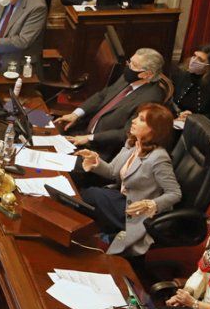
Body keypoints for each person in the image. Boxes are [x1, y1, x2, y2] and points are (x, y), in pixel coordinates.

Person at [76, 103, 181, 260]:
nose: (133, 121)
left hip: (137, 210)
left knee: (89, 196)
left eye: (141, 119)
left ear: (154, 130)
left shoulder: (159, 157)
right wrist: (95, 161)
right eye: (137, 117)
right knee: (88, 196)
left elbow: (175, 193)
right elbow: (112, 171)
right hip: (122, 197)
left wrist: (151, 204)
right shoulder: (133, 144)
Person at [54, 48, 167, 159]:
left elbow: (127, 133)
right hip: (83, 130)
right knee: (43, 139)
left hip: (101, 149)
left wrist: (90, 138)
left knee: (53, 162)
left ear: (147, 74)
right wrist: (76, 114)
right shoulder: (129, 78)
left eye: (134, 65)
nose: (128, 66)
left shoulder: (151, 98)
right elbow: (102, 95)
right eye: (130, 62)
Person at [172, 44, 210, 123]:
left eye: (200, 60)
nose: (194, 60)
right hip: (177, 118)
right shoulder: (181, 73)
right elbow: (171, 99)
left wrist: (193, 118)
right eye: (194, 56)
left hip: (202, 124)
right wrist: (178, 113)